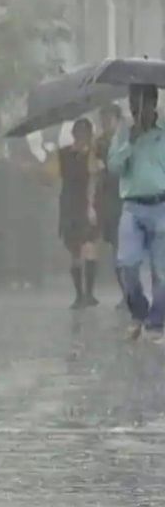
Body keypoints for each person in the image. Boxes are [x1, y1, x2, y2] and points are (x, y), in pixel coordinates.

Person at [108, 84, 165, 341]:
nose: (136, 108)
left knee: (162, 271)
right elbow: (113, 167)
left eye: (141, 102)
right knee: (127, 265)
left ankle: (156, 321)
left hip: (162, 206)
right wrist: (129, 142)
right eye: (132, 102)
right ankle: (138, 311)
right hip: (132, 207)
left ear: (153, 104)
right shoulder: (123, 133)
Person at [52, 118, 100, 308]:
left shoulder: (93, 155)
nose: (81, 137)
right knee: (75, 250)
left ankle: (88, 293)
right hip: (69, 204)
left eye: (85, 134)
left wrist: (91, 207)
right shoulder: (63, 154)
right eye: (78, 133)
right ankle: (79, 295)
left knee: (89, 247)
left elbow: (94, 180)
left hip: (86, 204)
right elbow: (52, 174)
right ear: (73, 134)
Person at [96, 105, 126, 308]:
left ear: (118, 119)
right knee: (116, 248)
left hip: (128, 196)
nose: (105, 122)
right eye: (103, 118)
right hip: (109, 200)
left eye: (109, 118)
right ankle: (126, 293)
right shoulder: (99, 144)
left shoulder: (128, 140)